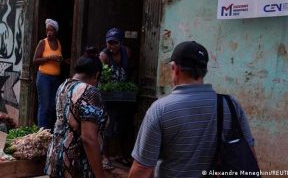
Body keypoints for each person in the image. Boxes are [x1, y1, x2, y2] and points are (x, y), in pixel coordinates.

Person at [129, 41, 256, 178]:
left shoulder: (160, 109)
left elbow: (142, 167)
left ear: (175, 69)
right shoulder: (230, 104)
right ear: (204, 71)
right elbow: (249, 153)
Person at [45, 47, 108, 178]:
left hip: (56, 159)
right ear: (96, 75)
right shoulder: (89, 91)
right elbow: (88, 139)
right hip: (76, 166)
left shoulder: (63, 86)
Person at [99, 27, 134, 170]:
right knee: (108, 126)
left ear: (121, 43)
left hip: (124, 97)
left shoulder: (127, 52)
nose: (111, 46)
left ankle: (121, 154)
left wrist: (128, 86)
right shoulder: (104, 56)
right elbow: (102, 76)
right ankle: (105, 156)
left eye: (114, 43)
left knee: (123, 127)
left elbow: (131, 70)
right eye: (109, 43)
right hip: (108, 96)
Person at [33, 19, 63, 130]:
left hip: (55, 79)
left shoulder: (59, 43)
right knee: (44, 106)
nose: (49, 32)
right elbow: (35, 60)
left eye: (51, 30)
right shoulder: (43, 42)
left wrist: (61, 60)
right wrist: (49, 58)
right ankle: (41, 132)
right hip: (43, 78)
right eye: (47, 30)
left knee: (52, 106)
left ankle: (49, 130)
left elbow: (59, 58)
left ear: (56, 31)